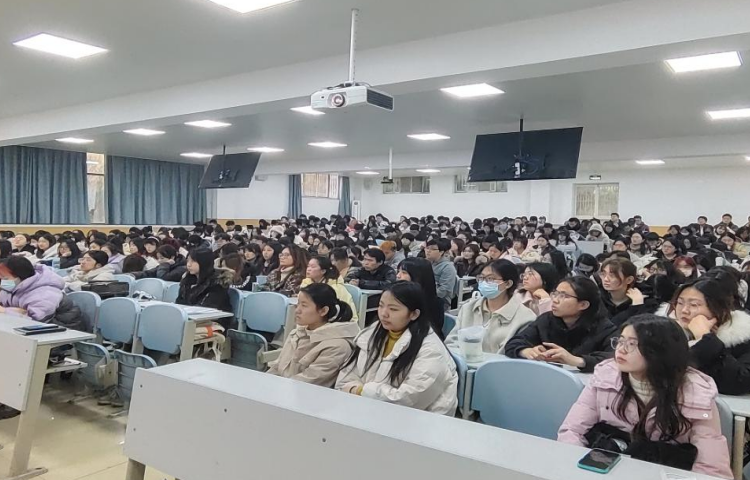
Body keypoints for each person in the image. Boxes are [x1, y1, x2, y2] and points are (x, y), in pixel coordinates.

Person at [562, 317, 732, 478]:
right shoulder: (604, 376)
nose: (621, 349)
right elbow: (572, 431)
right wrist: (578, 472)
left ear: (660, 350)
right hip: (607, 469)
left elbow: (711, 465)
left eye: (632, 344)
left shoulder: (696, 392)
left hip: (666, 471)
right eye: (620, 341)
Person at [335, 281, 458, 415]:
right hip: (369, 410)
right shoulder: (372, 333)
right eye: (381, 305)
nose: (384, 313)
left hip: (418, 419)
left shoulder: (431, 350)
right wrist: (359, 392)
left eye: (393, 309)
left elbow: (410, 399)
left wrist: (361, 391)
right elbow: (346, 376)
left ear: (414, 314)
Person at [505, 276, 616, 372]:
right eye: (555, 294)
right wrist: (526, 351)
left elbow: (614, 359)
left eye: (564, 296)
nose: (555, 300)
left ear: (583, 305)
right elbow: (514, 342)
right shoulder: (546, 320)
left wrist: (577, 360)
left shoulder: (604, 328)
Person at [268, 283, 360, 387]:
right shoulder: (297, 333)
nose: (297, 310)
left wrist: (274, 388)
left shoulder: (338, 346)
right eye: (298, 304)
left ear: (323, 311)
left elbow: (307, 381)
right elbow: (277, 366)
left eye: (304, 305)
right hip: (282, 389)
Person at [670, 279, 750, 395]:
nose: (684, 310)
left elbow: (740, 384)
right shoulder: (670, 332)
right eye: (680, 303)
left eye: (694, 305)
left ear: (718, 308)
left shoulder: (743, 336)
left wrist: (706, 339)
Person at [446, 260, 535, 354]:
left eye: (490, 279)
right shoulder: (468, 308)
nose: (484, 282)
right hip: (462, 361)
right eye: (481, 278)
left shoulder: (525, 318)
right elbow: (451, 342)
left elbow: (514, 353)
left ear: (508, 283)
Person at [176, 248, 233, 327]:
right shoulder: (187, 280)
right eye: (188, 261)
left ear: (204, 262)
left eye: (193, 261)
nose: (189, 264)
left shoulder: (217, 283)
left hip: (212, 323)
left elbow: (207, 308)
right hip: (189, 320)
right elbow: (179, 301)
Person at [0, 256, 66, 321]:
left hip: (59, 325)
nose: (2, 281)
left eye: (5, 278)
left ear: (20, 276)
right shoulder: (12, 287)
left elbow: (35, 321)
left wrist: (5, 311)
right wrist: (16, 311)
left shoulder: (45, 295)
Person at [396, 258, 445, 339]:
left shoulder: (434, 303)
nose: (398, 276)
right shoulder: (397, 297)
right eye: (398, 271)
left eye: (404, 272)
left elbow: (429, 331)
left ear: (417, 276)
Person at [300, 256, 359, 323]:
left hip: (340, 321)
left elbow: (340, 313)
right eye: (308, 266)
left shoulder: (335, 288)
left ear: (323, 271)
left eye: (313, 267)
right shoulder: (307, 283)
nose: (308, 269)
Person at [600, 258, 654, 326]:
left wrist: (636, 306)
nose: (605, 279)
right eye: (603, 274)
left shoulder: (646, 300)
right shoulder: (597, 298)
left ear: (629, 280)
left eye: (612, 276)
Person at [424, 239, 457, 311]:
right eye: (427, 248)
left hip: (441, 300)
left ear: (441, 252)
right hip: (425, 295)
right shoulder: (426, 263)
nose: (428, 251)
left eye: (433, 249)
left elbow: (444, 290)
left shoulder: (447, 267)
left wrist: (426, 296)